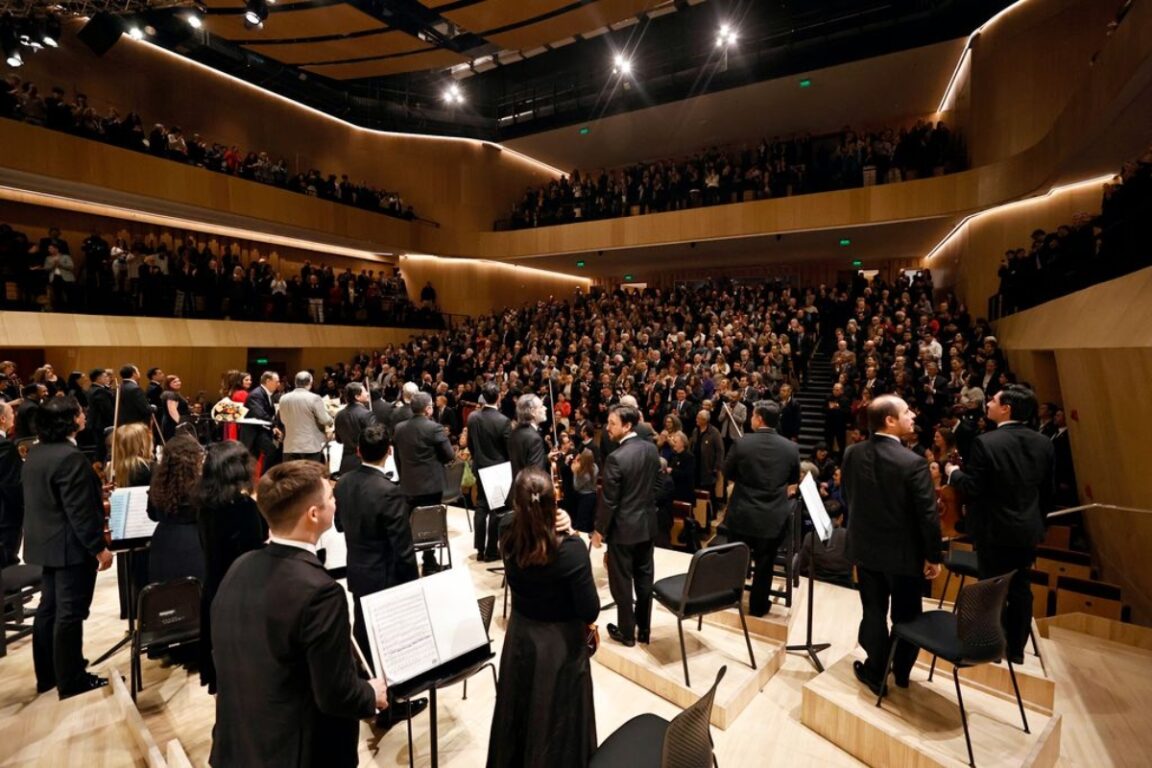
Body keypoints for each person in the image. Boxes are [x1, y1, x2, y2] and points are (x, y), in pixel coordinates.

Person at [210, 460, 388, 768]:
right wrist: (370, 695)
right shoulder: (321, 592)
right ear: (314, 514)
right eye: (331, 497)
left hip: (243, 743)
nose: (336, 502)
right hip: (297, 750)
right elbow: (334, 693)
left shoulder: (239, 566)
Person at [487, 468, 599, 768]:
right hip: (560, 647)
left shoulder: (506, 531)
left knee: (520, 718)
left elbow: (524, 522)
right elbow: (590, 610)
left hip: (522, 637)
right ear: (554, 502)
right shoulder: (572, 550)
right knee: (557, 726)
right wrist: (572, 531)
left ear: (516, 505)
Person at [947, 384, 1054, 663]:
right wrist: (1038, 525)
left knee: (990, 587)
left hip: (993, 529)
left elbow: (973, 488)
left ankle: (988, 648)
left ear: (1006, 408)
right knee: (1020, 588)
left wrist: (954, 473)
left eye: (993, 401)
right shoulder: (1044, 443)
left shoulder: (987, 442)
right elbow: (1047, 493)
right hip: (1027, 529)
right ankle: (1016, 651)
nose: (989, 404)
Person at [332, 425, 429, 729]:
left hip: (358, 570)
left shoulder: (343, 483)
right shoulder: (389, 491)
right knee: (388, 643)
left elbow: (338, 526)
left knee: (362, 635)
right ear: (389, 452)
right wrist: (414, 586)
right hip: (386, 577)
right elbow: (403, 548)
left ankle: (365, 694)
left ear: (358, 451)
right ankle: (389, 706)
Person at [843, 395, 942, 696]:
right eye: (906, 411)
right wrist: (932, 556)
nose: (912, 415)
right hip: (904, 556)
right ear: (889, 420)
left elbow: (850, 498)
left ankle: (876, 671)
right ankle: (901, 672)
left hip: (866, 550)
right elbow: (927, 515)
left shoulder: (852, 453)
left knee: (873, 611)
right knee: (906, 615)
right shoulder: (913, 462)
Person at [23, 396, 114, 698]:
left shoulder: (36, 452)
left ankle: (48, 674)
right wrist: (98, 547)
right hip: (69, 547)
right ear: (70, 420)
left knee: (48, 609)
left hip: (44, 543)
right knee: (70, 613)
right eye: (80, 412)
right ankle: (72, 679)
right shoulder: (70, 458)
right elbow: (80, 511)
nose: (84, 415)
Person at [196, 440, 267, 694]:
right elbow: (255, 550)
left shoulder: (205, 506)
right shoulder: (244, 508)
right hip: (241, 593)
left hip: (215, 589)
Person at [722, 401, 800, 616]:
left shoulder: (742, 443)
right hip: (772, 515)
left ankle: (731, 599)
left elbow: (727, 472)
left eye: (753, 416)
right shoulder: (790, 447)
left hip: (743, 512)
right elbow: (792, 479)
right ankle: (757, 607)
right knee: (765, 564)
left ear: (759, 419)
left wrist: (745, 480)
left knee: (737, 559)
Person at [592, 404, 661, 647]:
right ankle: (644, 629)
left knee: (621, 583)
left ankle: (627, 633)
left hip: (623, 530)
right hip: (647, 526)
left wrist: (599, 530)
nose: (607, 428)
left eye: (612, 423)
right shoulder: (652, 449)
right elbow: (657, 485)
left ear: (627, 426)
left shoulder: (616, 457)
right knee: (644, 579)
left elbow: (609, 501)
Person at [393, 391, 455, 575]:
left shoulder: (399, 428)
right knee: (431, 526)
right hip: (431, 485)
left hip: (408, 484)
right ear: (428, 409)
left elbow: (398, 457)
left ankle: (416, 564)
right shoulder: (434, 428)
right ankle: (429, 562)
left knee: (411, 526)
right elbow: (449, 455)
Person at [147, 433, 206, 585]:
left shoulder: (158, 483)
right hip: (195, 543)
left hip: (163, 543)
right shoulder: (201, 486)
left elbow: (152, 515)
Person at [467, 382, 512, 562]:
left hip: (479, 466)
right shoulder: (503, 421)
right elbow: (509, 449)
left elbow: (470, 444)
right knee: (497, 509)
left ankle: (479, 549)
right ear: (498, 397)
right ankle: (492, 551)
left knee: (481, 506)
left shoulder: (472, 417)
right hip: (498, 470)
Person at [794, 499, 853, 587]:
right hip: (845, 586)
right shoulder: (850, 536)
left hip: (817, 585)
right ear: (841, 518)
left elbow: (801, 566)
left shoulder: (810, 536)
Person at [278, 371, 334, 464]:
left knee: (290, 476)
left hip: (290, 444)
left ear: (295, 383)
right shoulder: (314, 398)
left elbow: (283, 420)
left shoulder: (283, 398)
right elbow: (324, 420)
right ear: (310, 383)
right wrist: (331, 419)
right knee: (309, 476)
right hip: (310, 445)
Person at [241, 371, 280, 476]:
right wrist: (274, 425)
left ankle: (257, 482)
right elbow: (260, 414)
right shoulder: (256, 394)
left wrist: (273, 427)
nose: (278, 384)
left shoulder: (266, 394)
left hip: (260, 431)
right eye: (277, 381)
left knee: (253, 461)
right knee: (271, 452)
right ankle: (264, 479)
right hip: (254, 432)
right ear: (268, 381)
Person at [0, 401, 25, 566]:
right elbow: (13, 485)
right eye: (11, 413)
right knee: (7, 561)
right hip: (5, 517)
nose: (14, 416)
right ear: (2, 418)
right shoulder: (4, 446)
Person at [333, 381, 374, 476]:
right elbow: (373, 440)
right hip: (364, 462)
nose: (368, 393)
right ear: (357, 397)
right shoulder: (366, 414)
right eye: (365, 391)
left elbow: (339, 440)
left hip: (346, 462)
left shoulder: (339, 415)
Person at [508, 393, 548, 481]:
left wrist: (546, 458)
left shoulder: (514, 432)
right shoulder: (534, 438)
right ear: (532, 412)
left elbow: (524, 460)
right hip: (529, 490)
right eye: (541, 406)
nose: (545, 408)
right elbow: (536, 474)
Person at [86, 368, 115, 463]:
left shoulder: (92, 388)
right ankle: (100, 468)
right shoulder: (99, 391)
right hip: (101, 424)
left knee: (100, 447)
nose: (108, 378)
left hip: (96, 423)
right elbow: (107, 410)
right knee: (102, 448)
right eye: (105, 376)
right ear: (98, 378)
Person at [160, 374, 190, 442]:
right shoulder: (171, 394)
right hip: (173, 424)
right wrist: (181, 424)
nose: (178, 383)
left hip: (170, 423)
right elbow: (172, 411)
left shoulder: (169, 393)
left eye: (178, 381)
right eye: (174, 382)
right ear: (168, 384)